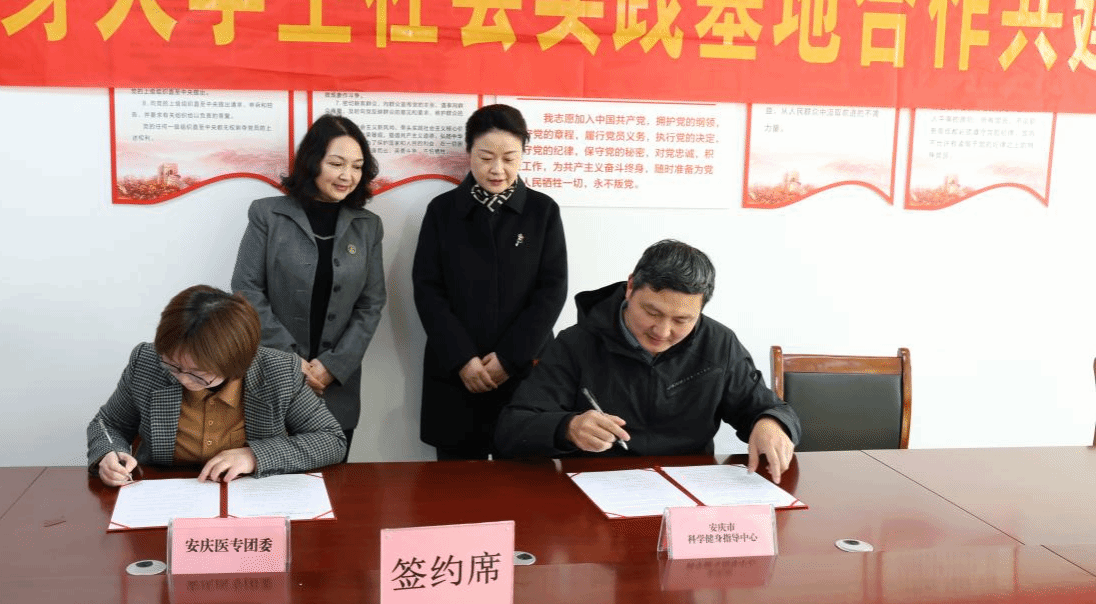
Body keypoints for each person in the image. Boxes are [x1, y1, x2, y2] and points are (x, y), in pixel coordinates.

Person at [494, 239, 801, 481]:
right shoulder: (577, 343)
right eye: (652, 312)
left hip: (689, 489)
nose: (662, 332)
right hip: (597, 488)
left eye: (682, 320)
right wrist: (568, 427)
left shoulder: (719, 344)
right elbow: (511, 429)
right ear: (630, 287)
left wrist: (771, 423)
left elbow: (767, 407)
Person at [412, 103, 568, 460]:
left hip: (522, 371)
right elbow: (428, 289)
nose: (497, 169)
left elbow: (552, 290)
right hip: (455, 372)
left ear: (523, 154)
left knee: (524, 479)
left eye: (509, 158)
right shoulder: (442, 211)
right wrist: (462, 359)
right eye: (486, 157)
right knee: (458, 483)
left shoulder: (543, 211)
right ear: (469, 152)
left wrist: (509, 359)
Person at [231, 114, 386, 460]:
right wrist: (291, 361)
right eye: (337, 163)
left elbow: (371, 303)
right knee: (270, 474)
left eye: (357, 166)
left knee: (334, 483)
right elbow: (246, 289)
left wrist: (333, 365)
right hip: (273, 374)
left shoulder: (368, 226)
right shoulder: (267, 214)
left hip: (337, 385)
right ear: (313, 162)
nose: (347, 175)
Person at [86, 285, 346, 486]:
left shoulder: (278, 372)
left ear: (237, 365)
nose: (183, 379)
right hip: (164, 490)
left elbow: (330, 440)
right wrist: (109, 453)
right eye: (173, 366)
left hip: (251, 494)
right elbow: (108, 423)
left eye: (199, 375)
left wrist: (253, 456)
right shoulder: (147, 362)